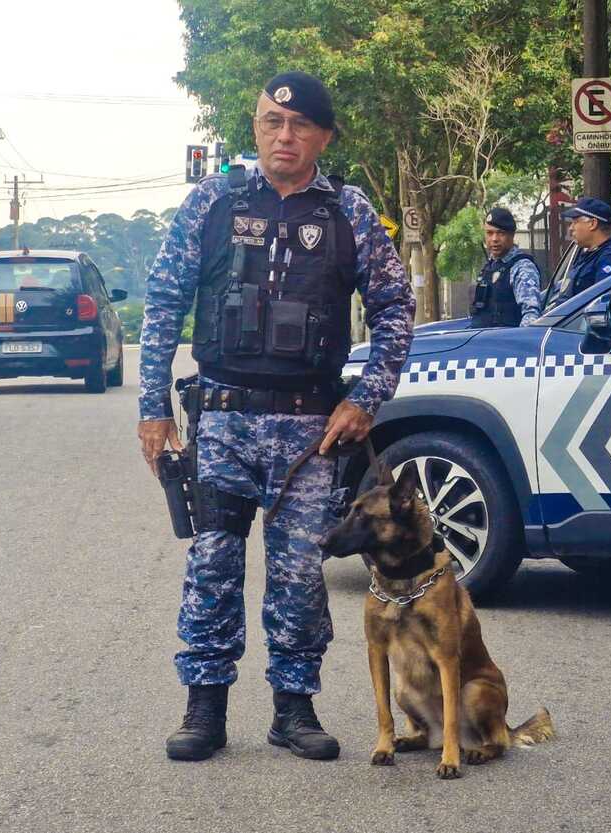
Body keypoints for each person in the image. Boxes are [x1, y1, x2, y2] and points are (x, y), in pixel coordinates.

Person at [137, 70, 415, 762]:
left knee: (298, 573)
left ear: (322, 135)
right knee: (213, 562)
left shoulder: (350, 212)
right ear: (256, 128)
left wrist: (365, 398)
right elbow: (164, 301)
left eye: (297, 126)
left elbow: (394, 311)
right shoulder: (212, 202)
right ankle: (204, 706)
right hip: (224, 419)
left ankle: (295, 708)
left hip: (310, 430)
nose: (283, 136)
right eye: (270, 123)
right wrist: (153, 407)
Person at [546, 197, 611, 307]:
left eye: (575, 222)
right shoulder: (587, 256)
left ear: (592, 224)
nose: (571, 228)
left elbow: (601, 305)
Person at [469, 206, 544, 327]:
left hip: (504, 343)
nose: (494, 239)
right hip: (482, 341)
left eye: (500, 233)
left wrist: (517, 343)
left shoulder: (522, 267)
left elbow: (531, 315)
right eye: (489, 233)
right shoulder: (490, 266)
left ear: (512, 235)